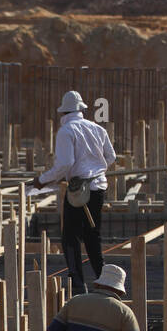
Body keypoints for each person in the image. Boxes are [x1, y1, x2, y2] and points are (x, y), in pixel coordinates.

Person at [31, 90, 116, 295]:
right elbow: (111, 157)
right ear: (82, 110)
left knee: (70, 236)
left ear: (63, 112)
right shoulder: (97, 129)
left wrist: (42, 180)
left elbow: (66, 163)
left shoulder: (66, 131)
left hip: (79, 191)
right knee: (92, 235)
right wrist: (96, 168)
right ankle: (104, 282)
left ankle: (78, 284)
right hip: (97, 189)